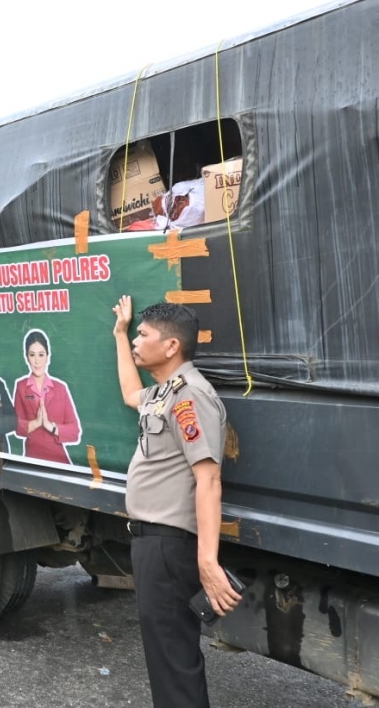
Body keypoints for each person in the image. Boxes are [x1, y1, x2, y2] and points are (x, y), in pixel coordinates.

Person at [112, 296, 242, 708]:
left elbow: (209, 479)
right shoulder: (165, 392)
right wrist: (118, 334)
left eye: (143, 334)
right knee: (165, 657)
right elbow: (132, 394)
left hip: (169, 545)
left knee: (173, 660)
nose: (137, 339)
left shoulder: (190, 397)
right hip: (152, 543)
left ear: (171, 346)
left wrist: (208, 562)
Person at [13, 330, 82, 464]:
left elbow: (75, 431)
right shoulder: (21, 386)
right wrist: (35, 423)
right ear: (27, 357)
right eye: (32, 355)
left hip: (58, 460)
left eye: (41, 355)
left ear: (47, 357)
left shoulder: (60, 388)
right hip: (32, 459)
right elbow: (15, 425)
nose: (37, 361)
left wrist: (51, 427)